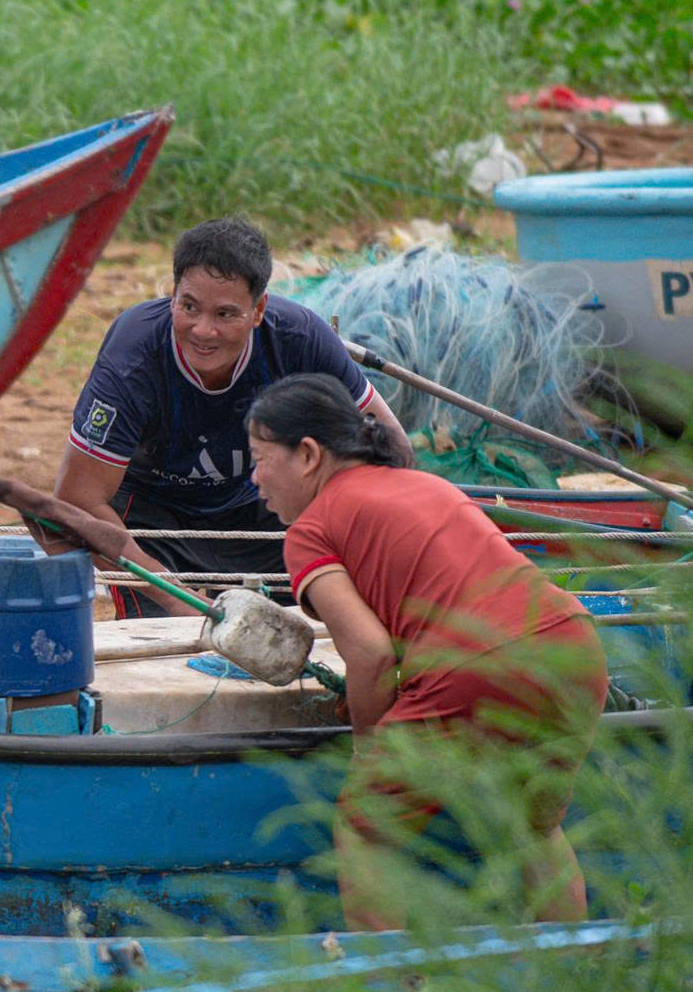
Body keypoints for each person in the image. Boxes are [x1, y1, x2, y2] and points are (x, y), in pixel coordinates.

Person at [244, 372, 607, 931]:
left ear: (309, 455)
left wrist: (371, 750)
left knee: (365, 827)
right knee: (531, 826)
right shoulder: (423, 484)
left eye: (261, 457)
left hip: (475, 662)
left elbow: (369, 654)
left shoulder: (310, 529)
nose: (255, 478)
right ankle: (578, 976)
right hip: (572, 644)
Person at [53, 217, 412, 616]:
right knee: (167, 646)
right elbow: (77, 499)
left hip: (258, 501)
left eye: (225, 314)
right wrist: (189, 607)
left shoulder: (300, 338)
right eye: (189, 307)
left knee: (327, 621)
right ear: (172, 296)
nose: (203, 331)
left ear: (258, 309)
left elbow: (390, 447)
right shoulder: (132, 356)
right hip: (149, 516)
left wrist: (342, 535)